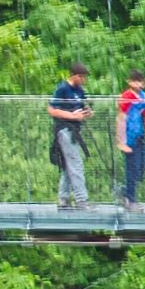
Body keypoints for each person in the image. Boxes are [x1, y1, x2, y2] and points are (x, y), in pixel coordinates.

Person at [47, 61, 93, 209]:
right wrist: (72, 116)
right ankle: (81, 200)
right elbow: (52, 110)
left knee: (69, 166)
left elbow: (83, 106)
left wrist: (87, 113)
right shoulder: (62, 89)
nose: (84, 81)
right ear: (75, 76)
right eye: (82, 77)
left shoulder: (80, 91)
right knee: (76, 164)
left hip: (76, 131)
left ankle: (63, 198)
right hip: (64, 129)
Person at [116, 70, 145, 210]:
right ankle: (131, 200)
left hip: (141, 137)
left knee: (142, 168)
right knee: (132, 168)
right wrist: (121, 142)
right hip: (130, 139)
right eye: (135, 81)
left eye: (140, 81)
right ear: (129, 82)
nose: (138, 84)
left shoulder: (144, 99)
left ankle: (124, 192)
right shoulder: (127, 97)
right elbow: (121, 118)